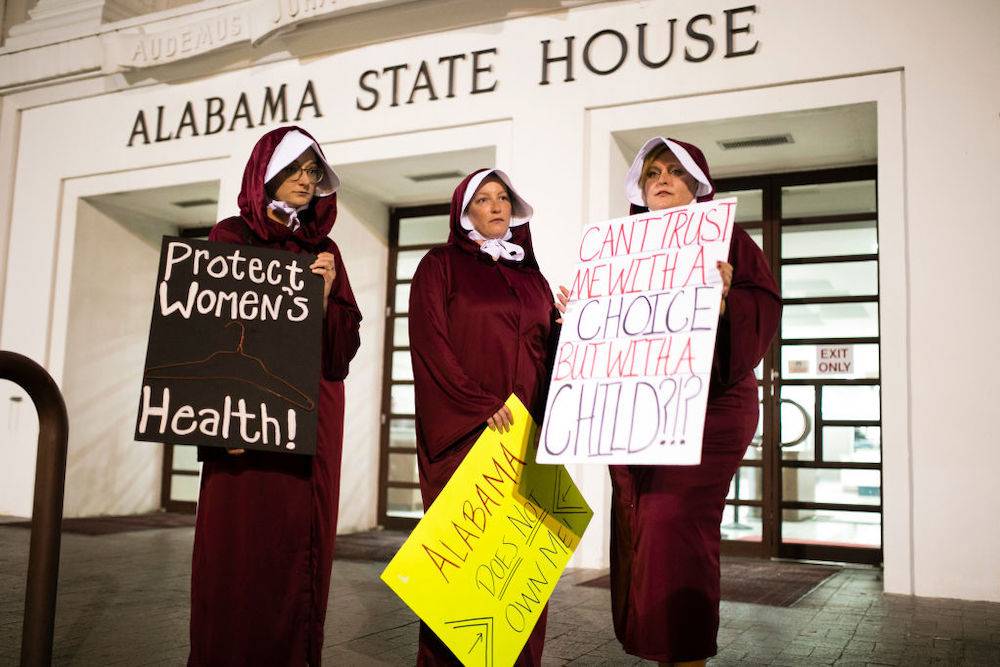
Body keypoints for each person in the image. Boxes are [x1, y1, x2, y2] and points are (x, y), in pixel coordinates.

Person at [188, 126, 362, 666]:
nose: (306, 182)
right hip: (246, 420)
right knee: (239, 549)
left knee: (298, 548)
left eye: (313, 173)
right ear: (267, 173)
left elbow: (341, 354)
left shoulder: (325, 249)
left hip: (309, 416)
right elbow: (208, 330)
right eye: (296, 171)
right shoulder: (230, 235)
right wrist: (220, 425)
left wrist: (330, 296)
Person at [608, 137, 781, 666]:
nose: (661, 179)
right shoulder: (624, 247)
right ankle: (668, 653)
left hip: (712, 407)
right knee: (648, 529)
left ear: (697, 185)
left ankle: (686, 657)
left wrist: (729, 301)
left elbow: (764, 310)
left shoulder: (729, 239)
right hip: (644, 410)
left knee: (673, 523)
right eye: (652, 172)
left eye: (674, 172)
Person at [408, 168, 561, 666]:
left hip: (525, 440)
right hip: (468, 438)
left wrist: (570, 328)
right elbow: (432, 346)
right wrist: (478, 405)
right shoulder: (440, 265)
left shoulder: (531, 276)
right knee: (465, 574)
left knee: (516, 575)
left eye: (503, 199)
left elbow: (544, 355)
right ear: (464, 211)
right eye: (483, 199)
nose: (496, 207)